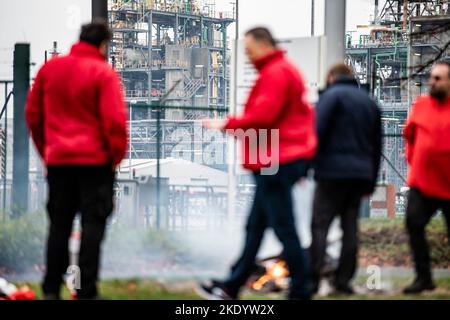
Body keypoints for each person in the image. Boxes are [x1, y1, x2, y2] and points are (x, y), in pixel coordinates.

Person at [197, 27, 317, 300]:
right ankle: (231, 285)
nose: (248, 57)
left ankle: (301, 289)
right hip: (276, 159)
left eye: (249, 51)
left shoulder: (276, 74)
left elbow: (262, 117)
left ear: (263, 45)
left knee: (282, 227)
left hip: (276, 160)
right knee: (255, 228)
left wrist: (225, 124)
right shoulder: (281, 71)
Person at [25, 20, 128, 300]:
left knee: (59, 224)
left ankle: (50, 289)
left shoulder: (50, 69)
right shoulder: (102, 73)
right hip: (95, 163)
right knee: (92, 227)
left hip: (59, 161)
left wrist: (47, 149)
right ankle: (86, 290)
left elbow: (33, 115)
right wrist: (114, 159)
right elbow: (114, 123)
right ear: (103, 45)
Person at [309, 63, 382, 294]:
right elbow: (377, 146)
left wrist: (307, 167)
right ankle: (344, 281)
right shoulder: (369, 103)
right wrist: (370, 181)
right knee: (350, 227)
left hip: (331, 173)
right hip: (359, 175)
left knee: (320, 225)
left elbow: (316, 133)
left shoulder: (330, 98)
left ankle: (313, 278)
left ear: (331, 77)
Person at [402, 61, 450, 294]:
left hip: (448, 183)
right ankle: (424, 277)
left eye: (438, 78)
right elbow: (409, 135)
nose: (432, 82)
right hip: (423, 182)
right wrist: (413, 161)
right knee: (413, 223)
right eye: (432, 77)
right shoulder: (421, 105)